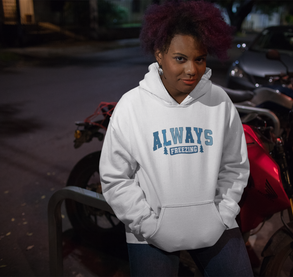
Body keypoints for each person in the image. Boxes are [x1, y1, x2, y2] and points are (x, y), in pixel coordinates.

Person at [99, 1, 253, 276]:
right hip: (151, 232)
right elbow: (115, 177)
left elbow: (235, 166)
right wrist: (147, 224)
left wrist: (222, 215)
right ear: (159, 54)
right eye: (180, 58)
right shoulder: (132, 105)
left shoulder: (219, 101)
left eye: (200, 58)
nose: (191, 70)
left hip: (214, 225)